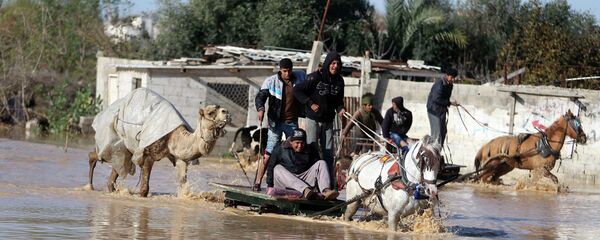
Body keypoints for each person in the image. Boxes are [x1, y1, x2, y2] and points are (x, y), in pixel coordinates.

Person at [253, 58, 306, 191]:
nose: (287, 74)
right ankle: (258, 182)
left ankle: (295, 185)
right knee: (269, 153)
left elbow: (311, 81)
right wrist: (260, 109)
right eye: (284, 71)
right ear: (280, 70)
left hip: (291, 122)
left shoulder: (300, 77)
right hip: (275, 122)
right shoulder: (271, 81)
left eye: (289, 71)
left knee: (295, 151)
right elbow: (260, 97)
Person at [294, 52, 345, 187]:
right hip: (313, 119)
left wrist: (341, 109)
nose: (335, 66)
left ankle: (327, 184)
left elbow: (339, 102)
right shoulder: (316, 77)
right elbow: (297, 90)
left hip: (328, 121)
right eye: (333, 63)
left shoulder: (339, 81)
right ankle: (310, 182)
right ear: (328, 63)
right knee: (312, 149)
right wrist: (310, 103)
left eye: (338, 64)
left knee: (329, 152)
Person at [266, 128, 339, 200]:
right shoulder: (279, 149)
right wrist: (269, 186)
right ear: (291, 142)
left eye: (302, 143)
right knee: (277, 168)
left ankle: (326, 191)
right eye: (297, 143)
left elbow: (319, 171)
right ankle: (304, 189)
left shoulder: (310, 149)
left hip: (305, 181)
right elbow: (270, 168)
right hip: (287, 182)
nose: (300, 145)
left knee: (321, 163)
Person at [426, 67, 459, 147]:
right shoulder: (439, 84)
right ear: (446, 75)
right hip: (434, 111)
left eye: (454, 78)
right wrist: (449, 103)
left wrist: (449, 103)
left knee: (443, 132)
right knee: (436, 134)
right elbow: (436, 98)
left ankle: (437, 151)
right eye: (451, 77)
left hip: (441, 111)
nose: (453, 79)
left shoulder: (449, 85)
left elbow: (445, 98)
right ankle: (431, 152)